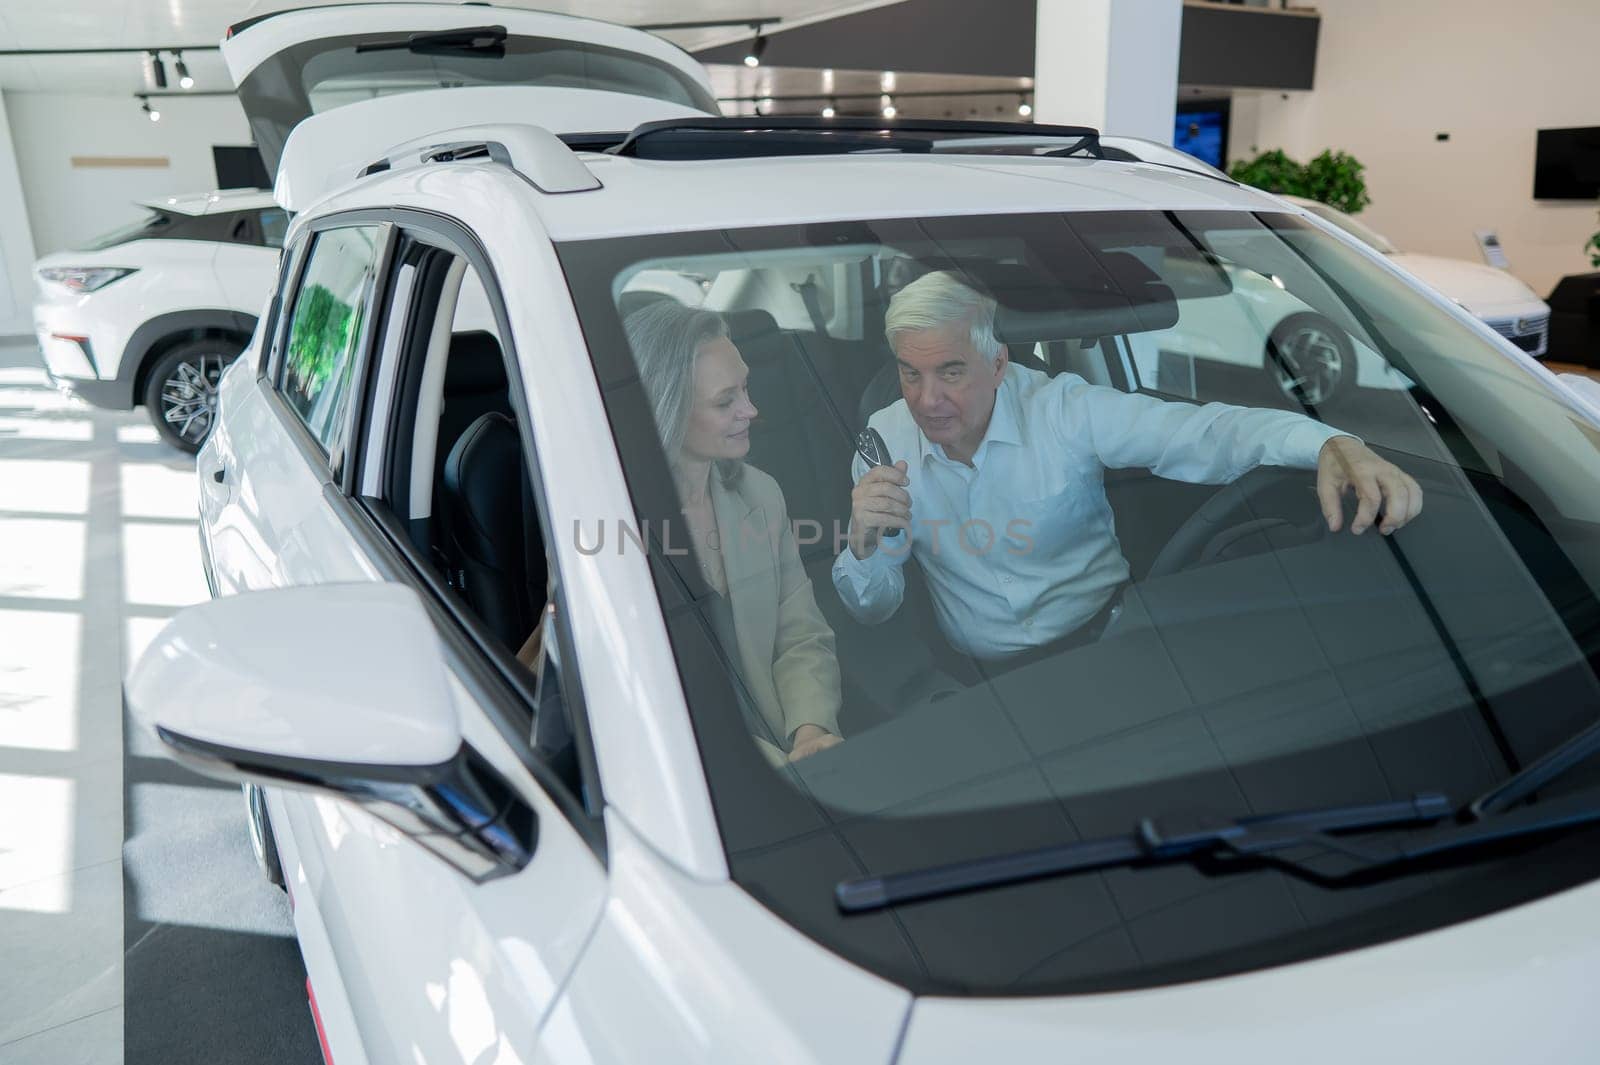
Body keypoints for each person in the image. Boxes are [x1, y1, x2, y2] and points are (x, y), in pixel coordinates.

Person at [832, 270, 1424, 666]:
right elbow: (874, 609)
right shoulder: (884, 440)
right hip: (979, 686)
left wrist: (1330, 443)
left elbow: (1207, 433)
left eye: (951, 371)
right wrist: (861, 544)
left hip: (1108, 648)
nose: (927, 399)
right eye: (911, 372)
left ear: (998, 364)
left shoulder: (1064, 410)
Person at [626, 300, 843, 762]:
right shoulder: (612, 527)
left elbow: (801, 635)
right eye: (726, 401)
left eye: (745, 388)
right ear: (665, 410)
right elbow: (647, 703)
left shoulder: (760, 495)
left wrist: (811, 731)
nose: (751, 410)